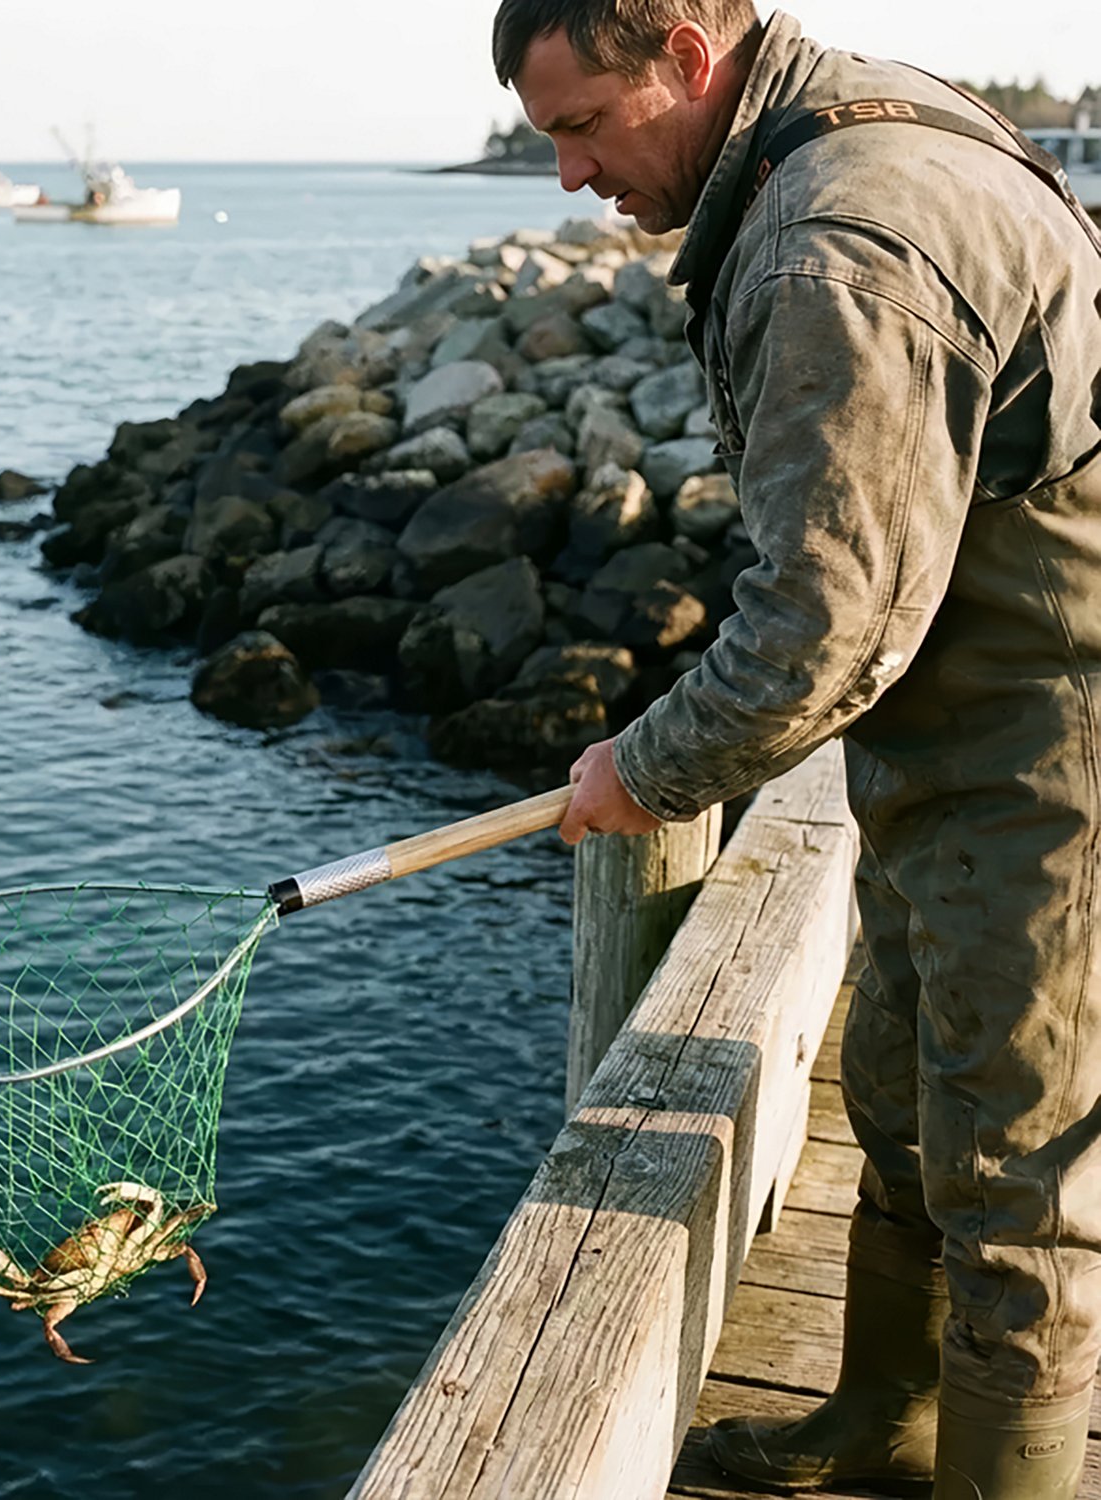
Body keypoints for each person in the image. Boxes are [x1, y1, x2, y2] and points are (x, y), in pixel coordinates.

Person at [492, 2, 1101, 1496]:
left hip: (1054, 747)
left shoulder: (836, 246)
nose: (569, 178)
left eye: (582, 127)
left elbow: (826, 629)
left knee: (1018, 1181)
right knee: (895, 1096)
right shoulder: (841, 121)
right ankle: (877, 1422)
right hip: (952, 730)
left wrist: (639, 770)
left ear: (689, 60)